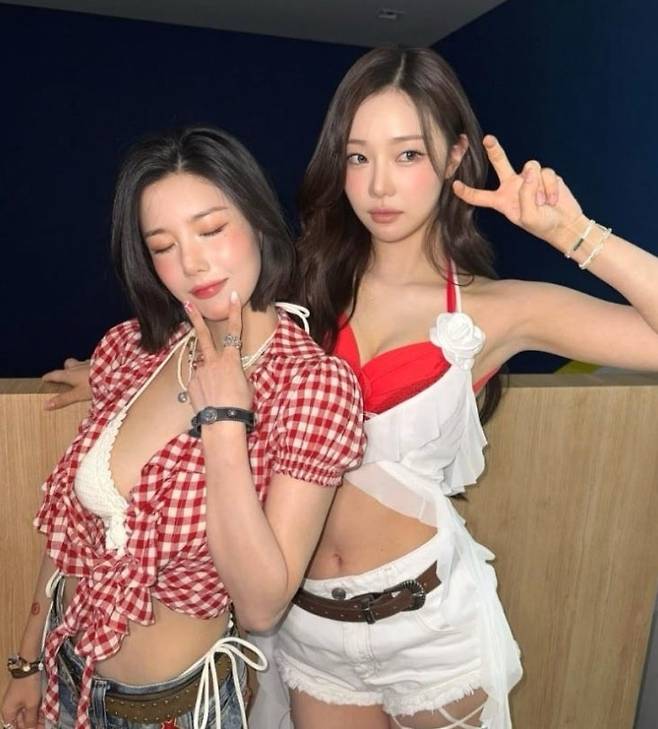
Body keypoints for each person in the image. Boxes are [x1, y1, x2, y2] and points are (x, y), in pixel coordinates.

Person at [35, 47, 658, 729]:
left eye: (408, 154)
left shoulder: (499, 308)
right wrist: (115, 374)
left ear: (455, 156)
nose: (380, 185)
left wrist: (572, 233)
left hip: (424, 621)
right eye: (359, 157)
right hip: (307, 627)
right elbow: (203, 329)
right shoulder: (299, 280)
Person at [1, 126, 365, 729]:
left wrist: (224, 423)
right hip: (66, 677)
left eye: (211, 229)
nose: (192, 263)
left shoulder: (311, 385)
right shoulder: (135, 351)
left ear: (257, 221)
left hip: (176, 710)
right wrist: (26, 659)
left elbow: (261, 606)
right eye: (163, 245)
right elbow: (70, 535)